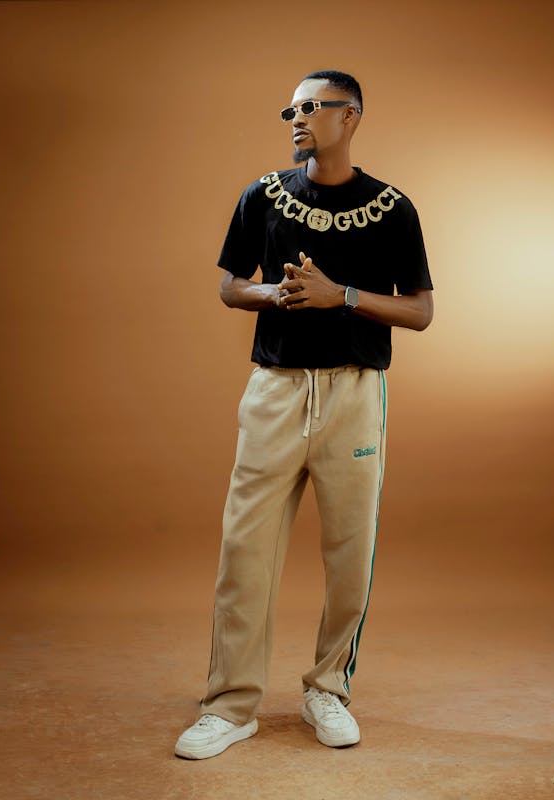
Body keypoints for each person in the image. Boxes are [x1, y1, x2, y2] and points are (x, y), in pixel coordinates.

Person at [175, 69, 434, 760]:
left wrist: (340, 296)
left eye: (311, 106)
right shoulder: (261, 196)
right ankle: (230, 706)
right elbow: (234, 289)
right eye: (290, 107)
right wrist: (278, 298)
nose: (295, 117)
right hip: (274, 390)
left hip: (354, 391)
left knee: (352, 551)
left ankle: (328, 689)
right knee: (244, 551)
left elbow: (420, 310)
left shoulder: (392, 207)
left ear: (349, 117)